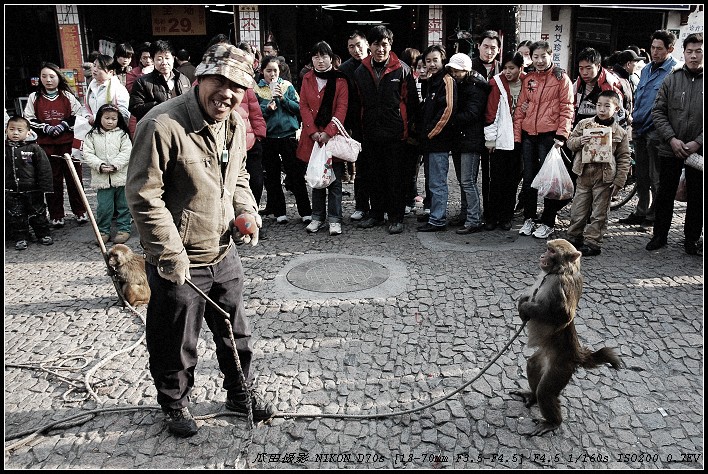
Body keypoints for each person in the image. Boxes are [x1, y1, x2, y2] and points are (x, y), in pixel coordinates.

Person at [125, 43, 274, 438]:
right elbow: (143, 195)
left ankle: (240, 394)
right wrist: (169, 253)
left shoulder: (235, 124)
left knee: (235, 332)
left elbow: (238, 178)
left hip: (223, 251)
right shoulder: (161, 125)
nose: (227, 93)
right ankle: (174, 404)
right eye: (220, 81)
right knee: (175, 341)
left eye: (238, 86)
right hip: (179, 260)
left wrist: (245, 212)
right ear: (199, 79)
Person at [354, 25, 418, 235]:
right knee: (374, 176)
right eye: (376, 44)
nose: (380, 49)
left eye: (384, 44)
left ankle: (396, 217)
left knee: (395, 178)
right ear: (369, 47)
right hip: (371, 133)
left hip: (396, 134)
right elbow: (357, 104)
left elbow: (412, 104)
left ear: (390, 45)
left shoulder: (403, 69)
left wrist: (410, 132)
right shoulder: (360, 71)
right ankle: (376, 214)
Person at [646, 33, 703, 255]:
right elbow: (658, 112)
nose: (694, 56)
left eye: (698, 51)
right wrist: (672, 139)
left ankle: (691, 240)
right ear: (683, 53)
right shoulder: (672, 78)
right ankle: (659, 236)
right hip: (671, 148)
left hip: (698, 151)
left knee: (698, 197)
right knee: (664, 193)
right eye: (689, 51)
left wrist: (698, 142)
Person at [513, 40, 574, 239]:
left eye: (543, 56)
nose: (539, 61)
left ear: (550, 56)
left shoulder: (561, 78)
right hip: (529, 135)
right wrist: (517, 136)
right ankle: (529, 218)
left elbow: (567, 108)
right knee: (529, 180)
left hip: (550, 136)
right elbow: (521, 108)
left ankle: (548, 221)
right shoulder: (528, 78)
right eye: (535, 57)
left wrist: (561, 135)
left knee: (550, 180)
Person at [618, 30, 677, 228]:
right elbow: (640, 98)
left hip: (658, 132)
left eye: (659, 49)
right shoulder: (646, 69)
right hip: (640, 127)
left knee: (656, 177)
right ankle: (641, 210)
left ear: (670, 49)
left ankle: (654, 215)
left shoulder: (674, 71)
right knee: (641, 175)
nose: (655, 52)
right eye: (653, 47)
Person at [565, 90, 631, 256]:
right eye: (599, 105)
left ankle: (593, 242)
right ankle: (574, 236)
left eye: (607, 106)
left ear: (616, 109)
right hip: (584, 173)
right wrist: (581, 141)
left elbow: (624, 158)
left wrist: (619, 182)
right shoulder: (584, 124)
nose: (602, 109)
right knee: (578, 208)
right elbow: (570, 142)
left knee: (599, 212)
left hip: (605, 176)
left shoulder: (619, 133)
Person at [24, 61, 89, 227]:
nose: (48, 80)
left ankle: (80, 211)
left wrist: (64, 124)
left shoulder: (67, 96)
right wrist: (45, 127)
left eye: (52, 76)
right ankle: (56, 214)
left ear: (59, 78)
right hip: (46, 146)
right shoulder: (34, 97)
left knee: (74, 178)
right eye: (44, 76)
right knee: (52, 180)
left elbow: (79, 115)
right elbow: (28, 119)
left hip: (68, 144)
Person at [296, 41, 349, 236]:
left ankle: (335, 219)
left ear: (331, 58)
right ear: (311, 59)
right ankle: (317, 216)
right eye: (316, 56)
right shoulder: (307, 78)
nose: (320, 60)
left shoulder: (340, 80)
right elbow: (303, 106)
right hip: (313, 138)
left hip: (331, 137)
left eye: (324, 56)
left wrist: (328, 131)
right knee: (316, 178)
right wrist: (313, 131)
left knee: (334, 180)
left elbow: (342, 108)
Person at [254, 56, 312, 224]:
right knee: (272, 177)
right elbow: (256, 113)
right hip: (269, 137)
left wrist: (283, 100)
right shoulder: (258, 89)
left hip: (288, 136)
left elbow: (299, 108)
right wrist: (267, 109)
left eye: (275, 71)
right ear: (262, 71)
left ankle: (305, 212)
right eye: (268, 71)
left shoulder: (287, 86)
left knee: (296, 175)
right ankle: (280, 212)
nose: (272, 74)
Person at [445, 52, 488, 234]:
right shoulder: (463, 83)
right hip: (461, 139)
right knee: (464, 182)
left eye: (458, 71)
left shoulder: (475, 86)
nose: (454, 74)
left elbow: (472, 114)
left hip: (470, 139)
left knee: (468, 181)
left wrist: (450, 118)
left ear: (466, 70)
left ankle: (474, 219)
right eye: (452, 71)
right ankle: (465, 215)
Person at [484, 52, 527, 231]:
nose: (508, 72)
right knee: (497, 180)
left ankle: (506, 216)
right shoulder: (496, 83)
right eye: (505, 68)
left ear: (520, 68)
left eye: (512, 68)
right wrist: (490, 139)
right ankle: (491, 217)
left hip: (521, 138)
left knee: (512, 181)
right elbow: (490, 113)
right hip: (501, 139)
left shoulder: (528, 81)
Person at [416, 45, 457, 233]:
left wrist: (431, 133)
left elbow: (447, 110)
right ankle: (434, 213)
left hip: (438, 141)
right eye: (428, 61)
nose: (431, 64)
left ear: (443, 60)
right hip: (429, 142)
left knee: (438, 182)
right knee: (431, 180)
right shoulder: (431, 81)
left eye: (435, 60)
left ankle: (438, 219)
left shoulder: (447, 80)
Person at [81, 104, 133, 245]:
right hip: (102, 179)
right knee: (104, 207)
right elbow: (88, 153)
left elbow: (127, 152)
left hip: (121, 177)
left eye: (113, 119)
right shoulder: (92, 135)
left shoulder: (122, 134)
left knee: (124, 205)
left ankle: (124, 229)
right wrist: (100, 166)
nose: (110, 121)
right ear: (100, 118)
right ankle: (103, 231)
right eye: (107, 118)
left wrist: (115, 165)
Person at [5, 115, 54, 250]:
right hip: (11, 190)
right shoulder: (5, 149)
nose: (15, 133)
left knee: (37, 212)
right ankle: (21, 237)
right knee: (16, 215)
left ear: (28, 132)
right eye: (11, 129)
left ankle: (43, 234)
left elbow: (44, 168)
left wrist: (46, 187)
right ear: (6, 130)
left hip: (33, 189)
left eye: (19, 130)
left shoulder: (34, 148)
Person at [338, 30, 370, 221]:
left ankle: (380, 205)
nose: (356, 50)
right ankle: (361, 205)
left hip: (376, 122)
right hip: (355, 124)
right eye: (351, 47)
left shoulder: (376, 63)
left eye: (359, 45)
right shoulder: (344, 69)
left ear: (366, 44)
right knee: (361, 167)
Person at [471, 30, 500, 227]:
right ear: (478, 46)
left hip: (495, 128)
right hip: (472, 128)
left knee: (493, 174)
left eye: (493, 48)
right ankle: (469, 213)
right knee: (469, 176)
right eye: (486, 46)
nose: (489, 51)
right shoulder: (469, 66)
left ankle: (491, 214)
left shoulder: (503, 68)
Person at [235, 42, 267, 213]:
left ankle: (252, 216)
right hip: (229, 144)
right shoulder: (213, 84)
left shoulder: (247, 84)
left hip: (251, 143)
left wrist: (259, 135)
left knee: (256, 182)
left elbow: (255, 112)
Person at [129, 40, 192, 123]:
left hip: (180, 128)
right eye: (159, 59)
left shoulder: (183, 79)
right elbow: (134, 108)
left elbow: (191, 104)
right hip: (155, 128)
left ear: (173, 58)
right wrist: (158, 105)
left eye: (167, 58)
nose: (164, 63)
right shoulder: (142, 82)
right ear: (153, 60)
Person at [399, 47, 423, 215]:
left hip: (416, 133)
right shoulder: (408, 79)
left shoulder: (415, 80)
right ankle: (410, 198)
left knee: (411, 168)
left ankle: (410, 198)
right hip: (410, 132)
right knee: (409, 168)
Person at [85, 54, 131, 125]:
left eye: (100, 68)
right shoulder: (92, 86)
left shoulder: (118, 89)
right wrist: (87, 117)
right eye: (94, 66)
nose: (95, 69)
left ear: (110, 72)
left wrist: (97, 118)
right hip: (93, 130)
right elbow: (86, 107)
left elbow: (123, 114)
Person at [125, 42, 153, 137]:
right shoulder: (132, 73)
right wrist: (143, 75)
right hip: (138, 113)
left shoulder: (161, 72)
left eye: (150, 57)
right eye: (144, 58)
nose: (148, 60)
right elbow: (131, 90)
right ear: (140, 59)